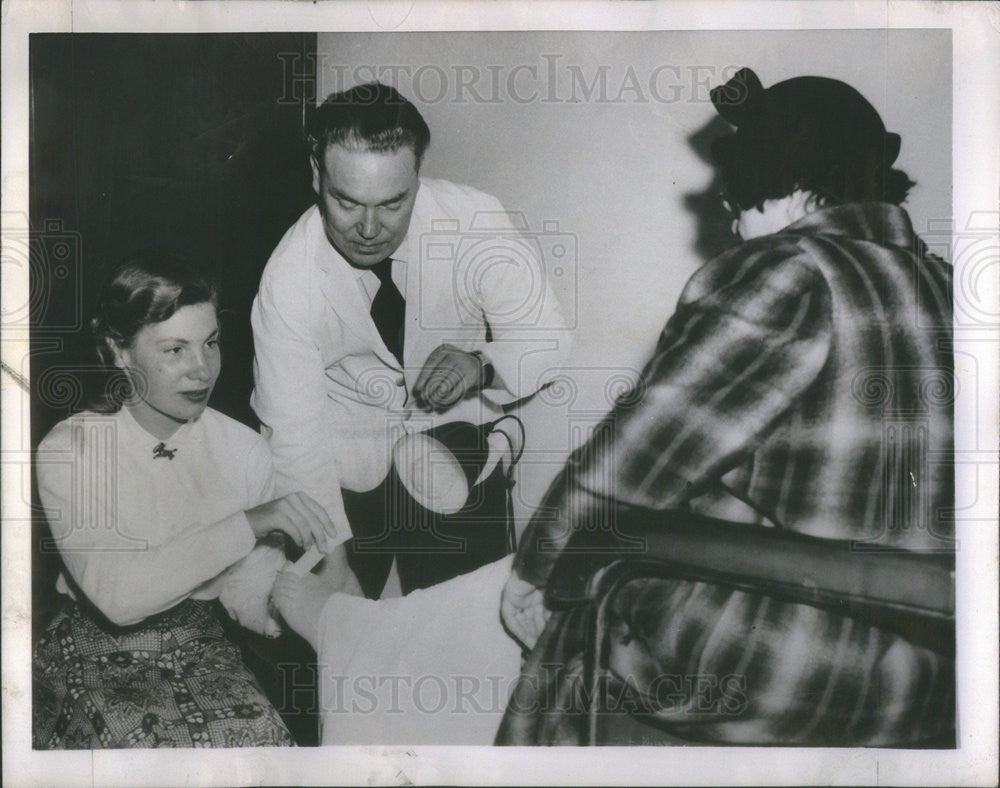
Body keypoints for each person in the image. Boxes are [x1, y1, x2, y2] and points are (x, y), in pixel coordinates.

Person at [497, 68, 955, 746]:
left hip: (779, 668)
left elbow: (634, 459)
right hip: (933, 677)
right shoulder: (950, 288)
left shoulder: (792, 270)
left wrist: (534, 574)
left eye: (738, 197)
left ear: (792, 186)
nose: (731, 217)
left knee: (575, 619)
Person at [251, 82, 571, 598]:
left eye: (393, 203)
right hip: (345, 464)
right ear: (316, 174)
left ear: (419, 176)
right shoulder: (287, 279)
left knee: (470, 621)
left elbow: (548, 336)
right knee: (331, 635)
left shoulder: (475, 222)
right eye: (347, 202)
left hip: (450, 445)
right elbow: (293, 435)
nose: (370, 229)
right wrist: (330, 560)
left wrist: (480, 365)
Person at [32, 252, 345, 749]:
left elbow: (245, 586)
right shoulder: (72, 450)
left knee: (265, 743)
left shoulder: (243, 449)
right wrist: (249, 521)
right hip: (90, 647)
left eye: (211, 343)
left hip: (200, 642)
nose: (202, 370)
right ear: (119, 350)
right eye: (175, 350)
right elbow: (119, 599)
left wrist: (295, 618)